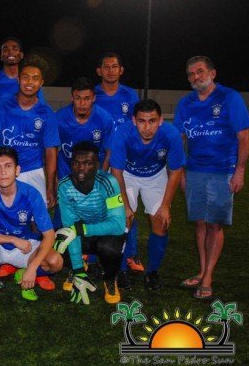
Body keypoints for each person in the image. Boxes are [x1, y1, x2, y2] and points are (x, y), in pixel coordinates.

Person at [173, 56, 249, 299]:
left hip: (222, 170)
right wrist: (181, 173)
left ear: (212, 73)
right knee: (199, 222)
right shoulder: (186, 103)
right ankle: (202, 270)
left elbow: (244, 137)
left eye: (200, 71)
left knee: (214, 224)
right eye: (191, 74)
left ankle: (208, 277)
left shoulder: (230, 98)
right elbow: (179, 140)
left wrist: (239, 171)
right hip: (195, 170)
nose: (195, 77)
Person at [0, 60, 59, 289]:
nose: (29, 82)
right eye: (26, 77)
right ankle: (11, 261)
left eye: (35, 78)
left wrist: (50, 185)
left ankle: (37, 267)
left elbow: (50, 151)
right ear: (18, 79)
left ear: (41, 83)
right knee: (7, 215)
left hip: (33, 171)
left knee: (36, 222)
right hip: (5, 170)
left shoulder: (46, 112)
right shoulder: (2, 107)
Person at [110, 99, 185, 290]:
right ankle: (120, 270)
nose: (147, 127)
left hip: (156, 175)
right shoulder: (122, 133)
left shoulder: (171, 134)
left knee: (161, 221)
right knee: (121, 220)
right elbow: (116, 171)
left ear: (161, 120)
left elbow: (176, 171)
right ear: (134, 120)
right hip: (126, 175)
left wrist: (166, 206)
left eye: (152, 121)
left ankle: (152, 272)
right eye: (142, 121)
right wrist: (125, 206)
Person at [0, 147, 62, 304]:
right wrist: (13, 239)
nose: (3, 172)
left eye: (8, 166)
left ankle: (25, 272)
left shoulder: (31, 194)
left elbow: (49, 235)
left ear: (17, 170)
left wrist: (32, 268)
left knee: (56, 262)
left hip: (25, 246)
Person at [57, 142, 127, 304]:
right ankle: (80, 267)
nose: (81, 168)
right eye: (76, 163)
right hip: (82, 232)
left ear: (97, 165)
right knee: (57, 243)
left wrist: (82, 229)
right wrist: (78, 270)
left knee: (109, 249)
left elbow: (118, 225)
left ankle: (110, 278)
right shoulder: (64, 186)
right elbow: (70, 226)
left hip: (106, 233)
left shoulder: (108, 182)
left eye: (87, 163)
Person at [94, 52, 143, 273]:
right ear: (99, 71)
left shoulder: (130, 95)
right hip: (100, 159)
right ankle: (96, 253)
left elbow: (137, 125)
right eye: (106, 67)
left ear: (121, 70)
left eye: (114, 66)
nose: (110, 70)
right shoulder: (94, 94)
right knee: (99, 206)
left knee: (126, 205)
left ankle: (130, 254)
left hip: (124, 160)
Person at [54, 77, 113, 230]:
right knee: (63, 225)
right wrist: (55, 179)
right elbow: (52, 151)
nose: (82, 103)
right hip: (66, 176)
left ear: (94, 98)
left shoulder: (104, 118)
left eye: (87, 98)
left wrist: (100, 177)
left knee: (94, 223)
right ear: (72, 98)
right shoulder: (59, 119)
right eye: (78, 98)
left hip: (93, 176)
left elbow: (109, 152)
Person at [0, 37, 47, 105]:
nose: (10, 52)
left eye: (15, 49)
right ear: (1, 56)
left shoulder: (30, 80)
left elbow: (41, 105)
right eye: (6, 50)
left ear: (21, 55)